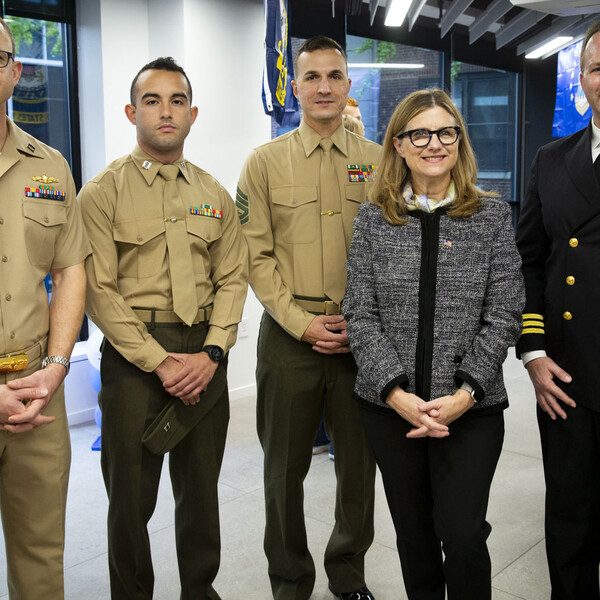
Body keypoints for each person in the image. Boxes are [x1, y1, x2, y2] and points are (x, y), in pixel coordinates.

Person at [344, 88, 524, 600]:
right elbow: (360, 312)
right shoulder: (374, 219)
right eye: (419, 133)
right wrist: (397, 395)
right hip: (390, 411)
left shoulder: (490, 216)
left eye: (446, 132)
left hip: (471, 408)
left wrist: (465, 393)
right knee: (414, 537)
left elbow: (505, 312)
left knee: (464, 535)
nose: (434, 144)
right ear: (398, 144)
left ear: (459, 142)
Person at [79, 57, 248, 600]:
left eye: (177, 100)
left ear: (193, 113)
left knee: (200, 495)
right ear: (132, 111)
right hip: (133, 360)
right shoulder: (102, 192)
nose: (165, 111)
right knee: (130, 500)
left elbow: (233, 277)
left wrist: (213, 353)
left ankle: (201, 591)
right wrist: (159, 361)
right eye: (152, 100)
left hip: (203, 355)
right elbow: (99, 291)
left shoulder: (214, 193)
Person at [237, 36, 380, 600]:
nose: (323, 86)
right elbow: (255, 254)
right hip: (288, 339)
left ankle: (348, 576)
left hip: (361, 339)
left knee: (358, 471)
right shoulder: (264, 163)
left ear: (348, 86)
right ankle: (290, 583)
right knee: (282, 473)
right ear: (294, 87)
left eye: (334, 76)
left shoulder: (377, 161)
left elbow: (390, 252)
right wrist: (301, 323)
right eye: (312, 77)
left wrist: (363, 324)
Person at [0, 17, 89, 599]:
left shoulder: (49, 165)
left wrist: (57, 367)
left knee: (40, 558)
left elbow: (69, 269)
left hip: (35, 392)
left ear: (15, 71)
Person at [515, 20, 600, 600]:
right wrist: (535, 352)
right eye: (598, 68)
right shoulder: (551, 158)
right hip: (568, 373)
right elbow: (529, 262)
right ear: (584, 81)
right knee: (570, 514)